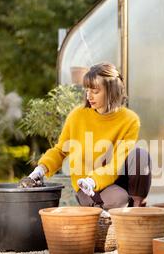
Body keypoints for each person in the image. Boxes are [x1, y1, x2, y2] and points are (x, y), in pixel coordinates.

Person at [26, 62, 152, 210]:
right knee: (119, 199)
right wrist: (41, 168)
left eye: (95, 91)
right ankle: (115, 207)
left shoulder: (130, 120)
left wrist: (94, 180)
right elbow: (60, 150)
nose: (89, 96)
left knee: (140, 156)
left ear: (111, 91)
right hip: (86, 187)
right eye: (87, 90)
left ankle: (136, 209)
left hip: (111, 177)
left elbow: (116, 164)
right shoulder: (77, 116)